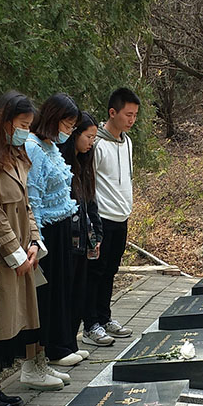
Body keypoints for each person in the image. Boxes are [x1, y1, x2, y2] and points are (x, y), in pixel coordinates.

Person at [0, 91, 63, 404]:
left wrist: (34, 242)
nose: (26, 131)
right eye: (22, 125)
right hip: (0, 254)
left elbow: (26, 206)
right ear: (5, 121)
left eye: (28, 125)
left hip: (23, 250)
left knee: (15, 320)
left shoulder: (17, 155)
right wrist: (14, 251)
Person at [26, 93, 83, 370]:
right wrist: (36, 238)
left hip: (62, 225)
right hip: (46, 229)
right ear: (53, 118)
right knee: (47, 294)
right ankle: (48, 351)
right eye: (67, 125)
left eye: (72, 126)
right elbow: (33, 196)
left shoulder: (51, 146)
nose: (69, 131)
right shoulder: (33, 147)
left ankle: (63, 343)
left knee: (62, 288)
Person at [83, 87, 141, 346]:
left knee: (110, 271)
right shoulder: (96, 144)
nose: (132, 120)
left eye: (135, 115)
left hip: (121, 217)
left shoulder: (127, 142)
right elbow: (88, 183)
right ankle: (90, 325)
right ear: (112, 112)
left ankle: (105, 318)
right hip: (102, 218)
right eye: (128, 114)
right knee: (95, 272)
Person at [60, 112, 104, 344]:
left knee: (80, 290)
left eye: (94, 138)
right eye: (88, 136)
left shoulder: (85, 163)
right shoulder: (63, 162)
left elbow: (90, 201)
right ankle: (65, 342)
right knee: (67, 293)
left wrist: (97, 232)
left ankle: (72, 342)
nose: (91, 142)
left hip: (85, 238)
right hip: (67, 238)